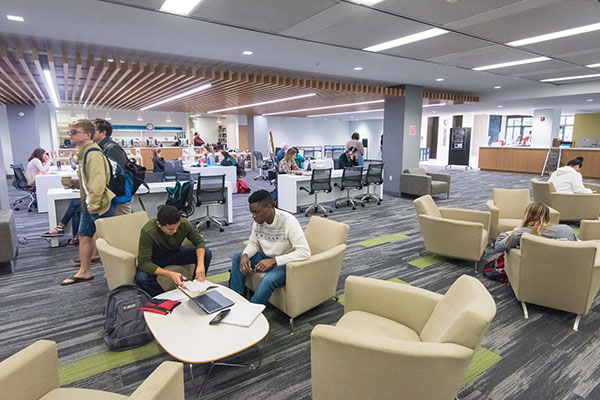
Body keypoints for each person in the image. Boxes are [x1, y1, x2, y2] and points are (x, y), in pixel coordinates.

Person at [229, 190, 310, 304]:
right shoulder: (258, 221)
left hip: (285, 263)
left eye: (256, 212)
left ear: (269, 207)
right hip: (266, 257)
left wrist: (274, 260)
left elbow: (305, 252)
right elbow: (254, 243)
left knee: (269, 279)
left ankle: (251, 311)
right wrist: (245, 254)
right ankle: (235, 302)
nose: (253, 216)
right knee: (238, 258)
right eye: (252, 212)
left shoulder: (288, 221)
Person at [61, 119, 115, 286]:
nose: (71, 135)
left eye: (74, 132)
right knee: (84, 236)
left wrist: (94, 206)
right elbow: (90, 181)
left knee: (109, 241)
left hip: (97, 206)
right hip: (90, 204)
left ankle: (118, 274)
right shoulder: (85, 153)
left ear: (87, 135)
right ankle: (84, 271)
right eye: (70, 132)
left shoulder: (93, 154)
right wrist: (75, 184)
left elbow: (98, 184)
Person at [134, 205, 212, 296]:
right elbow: (144, 262)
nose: (175, 231)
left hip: (175, 253)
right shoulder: (148, 231)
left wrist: (200, 265)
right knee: (141, 279)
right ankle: (164, 297)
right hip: (156, 259)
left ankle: (196, 286)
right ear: (159, 224)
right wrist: (171, 274)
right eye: (170, 229)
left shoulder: (183, 224)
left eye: (177, 227)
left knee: (206, 253)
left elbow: (199, 242)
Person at [492, 202, 577, 253]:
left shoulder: (520, 233)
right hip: (566, 269)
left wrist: (508, 233)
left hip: (533, 269)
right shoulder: (567, 229)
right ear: (548, 216)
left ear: (527, 216)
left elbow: (498, 247)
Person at [93, 118, 132, 215]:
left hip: (119, 193)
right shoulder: (100, 147)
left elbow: (122, 172)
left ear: (103, 132)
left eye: (93, 130)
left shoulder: (111, 148)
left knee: (122, 221)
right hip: (112, 193)